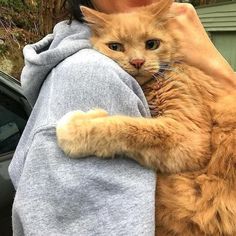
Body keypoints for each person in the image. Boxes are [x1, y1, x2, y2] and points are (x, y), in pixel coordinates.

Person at [9, 0, 236, 235]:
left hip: (208, 207)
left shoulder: (178, 74)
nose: (137, 60)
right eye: (116, 47)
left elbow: (189, 147)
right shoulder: (87, 74)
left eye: (151, 44)